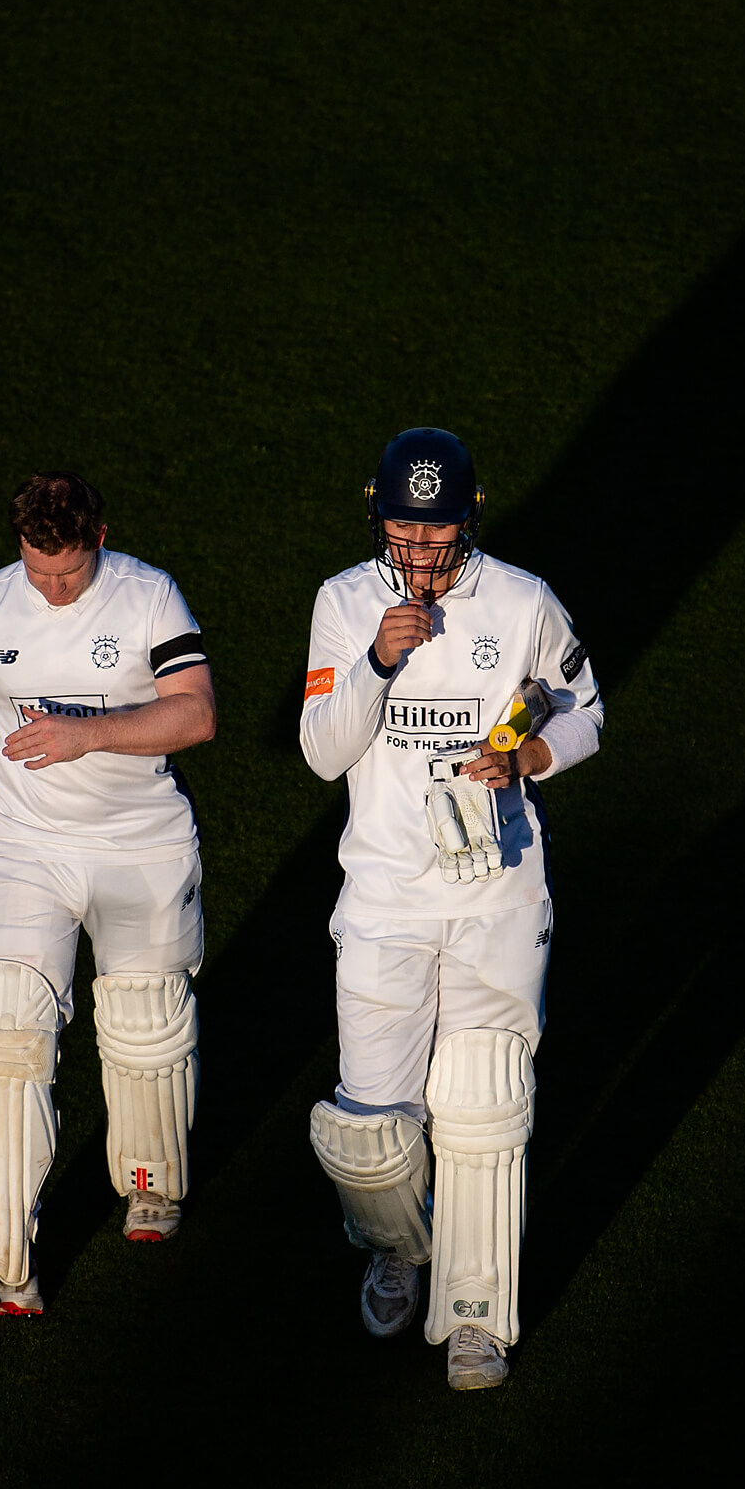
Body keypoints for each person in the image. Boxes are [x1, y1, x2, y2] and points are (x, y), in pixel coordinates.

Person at [298, 428, 604, 1390]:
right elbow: (320, 750)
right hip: (386, 895)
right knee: (367, 1128)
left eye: (437, 531)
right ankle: (399, 1247)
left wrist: (526, 756)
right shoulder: (346, 605)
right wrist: (376, 665)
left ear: (469, 518)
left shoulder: (521, 603)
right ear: (377, 516)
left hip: (496, 894)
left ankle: (477, 1317)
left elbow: (584, 707)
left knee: (482, 1104)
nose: (420, 550)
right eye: (403, 528)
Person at [0, 471, 219, 1318]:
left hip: (139, 846)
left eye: (68, 572)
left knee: (145, 1028)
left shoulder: (150, 598)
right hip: (25, 847)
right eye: (38, 569)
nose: (51, 588)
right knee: (0, 1036)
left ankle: (152, 1182)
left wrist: (93, 733)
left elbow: (194, 714)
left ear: (100, 538)